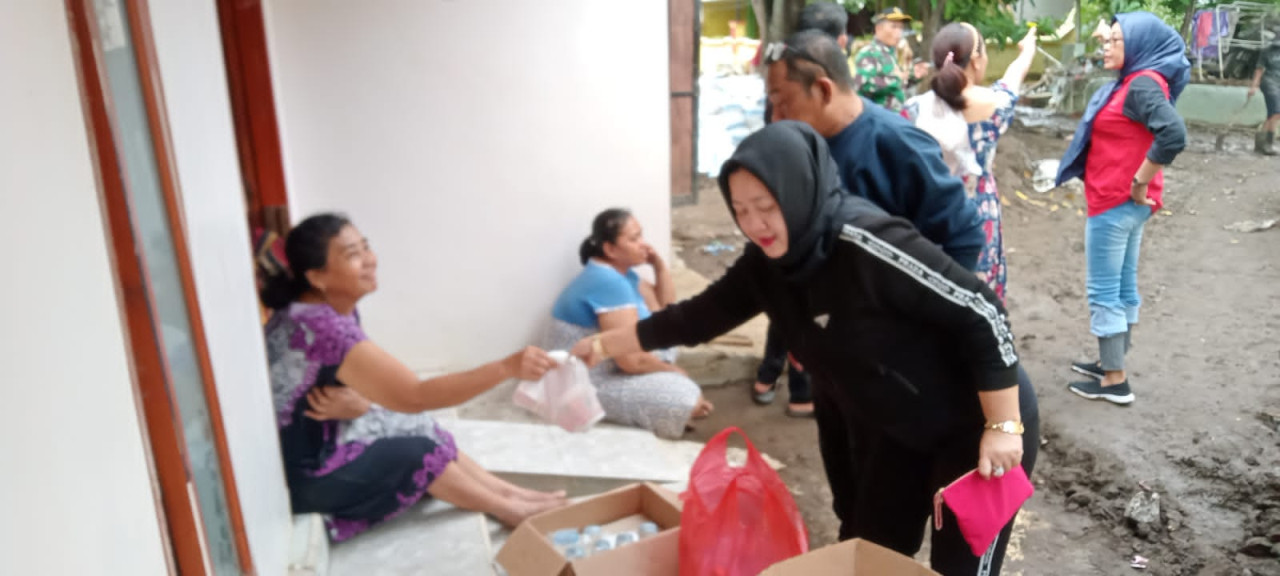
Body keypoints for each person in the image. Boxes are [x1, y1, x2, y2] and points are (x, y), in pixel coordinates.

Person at [572, 122, 1039, 575]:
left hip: (974, 423)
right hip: (898, 427)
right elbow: (698, 317)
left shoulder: (866, 243)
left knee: (959, 566)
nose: (755, 224)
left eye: (765, 205)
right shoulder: (766, 266)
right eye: (741, 209)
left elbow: (982, 311)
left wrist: (1002, 426)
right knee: (869, 550)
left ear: (796, 188)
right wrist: (608, 343)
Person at [261, 214, 566, 542]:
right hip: (306, 476)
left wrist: (359, 402)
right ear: (317, 276)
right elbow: (415, 394)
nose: (369, 260)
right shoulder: (323, 327)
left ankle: (511, 495)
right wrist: (506, 368)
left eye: (366, 247)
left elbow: (349, 379)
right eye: (352, 255)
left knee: (419, 425)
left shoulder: (323, 308)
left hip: (323, 436)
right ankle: (508, 508)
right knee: (418, 450)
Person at [1056, 12, 1188, 405]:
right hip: (1125, 203)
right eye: (1107, 38)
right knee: (1123, 285)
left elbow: (1174, 135)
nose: (1106, 45)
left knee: (1104, 291)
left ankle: (1115, 380)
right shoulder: (1136, 82)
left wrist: (1139, 179)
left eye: (1116, 39)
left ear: (1139, 46)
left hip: (1117, 200)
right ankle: (1110, 362)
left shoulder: (1143, 85)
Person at [755, 1, 850, 417]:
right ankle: (799, 389)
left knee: (785, 293)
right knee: (805, 300)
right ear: (841, 41)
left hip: (779, 213)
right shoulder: (828, 94)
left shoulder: (784, 80)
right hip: (810, 222)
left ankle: (769, 375)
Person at [545, 208, 712, 439]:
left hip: (613, 364)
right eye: (634, 239)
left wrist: (659, 266)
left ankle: (661, 389)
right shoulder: (608, 282)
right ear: (610, 249)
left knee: (670, 341)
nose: (644, 244)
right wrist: (674, 372)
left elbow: (664, 312)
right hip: (588, 383)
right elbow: (629, 361)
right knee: (685, 398)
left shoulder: (622, 274)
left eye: (641, 236)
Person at [904, 23, 1038, 301]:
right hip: (976, 212)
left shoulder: (913, 109)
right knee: (977, 295)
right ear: (976, 61)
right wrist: (1026, 53)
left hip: (925, 211)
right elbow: (1013, 78)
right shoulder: (995, 106)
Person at [852, 7, 915, 111]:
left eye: (901, 28)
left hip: (894, 117)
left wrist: (914, 76)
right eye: (894, 27)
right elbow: (864, 84)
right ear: (878, 28)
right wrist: (896, 80)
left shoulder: (893, 53)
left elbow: (900, 86)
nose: (899, 32)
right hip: (876, 120)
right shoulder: (869, 53)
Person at [1248, 38, 1280, 156]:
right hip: (1269, 83)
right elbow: (1259, 70)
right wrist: (1254, 86)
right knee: (1276, 112)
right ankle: (1267, 143)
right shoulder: (1266, 51)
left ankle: (1261, 143)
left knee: (1272, 114)